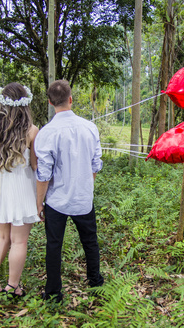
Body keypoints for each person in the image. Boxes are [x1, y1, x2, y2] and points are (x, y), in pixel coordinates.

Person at [35, 80, 104, 303]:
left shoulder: (46, 133)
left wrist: (39, 202)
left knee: (54, 245)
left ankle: (54, 292)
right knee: (90, 241)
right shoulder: (90, 127)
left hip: (56, 200)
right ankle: (95, 282)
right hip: (84, 198)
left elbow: (43, 174)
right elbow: (96, 164)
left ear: (49, 102)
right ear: (71, 99)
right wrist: (86, 185)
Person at [0, 82, 40, 298]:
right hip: (22, 189)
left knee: (3, 236)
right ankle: (13, 286)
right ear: (25, 104)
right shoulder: (32, 131)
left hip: (0, 188)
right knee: (19, 240)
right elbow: (35, 165)